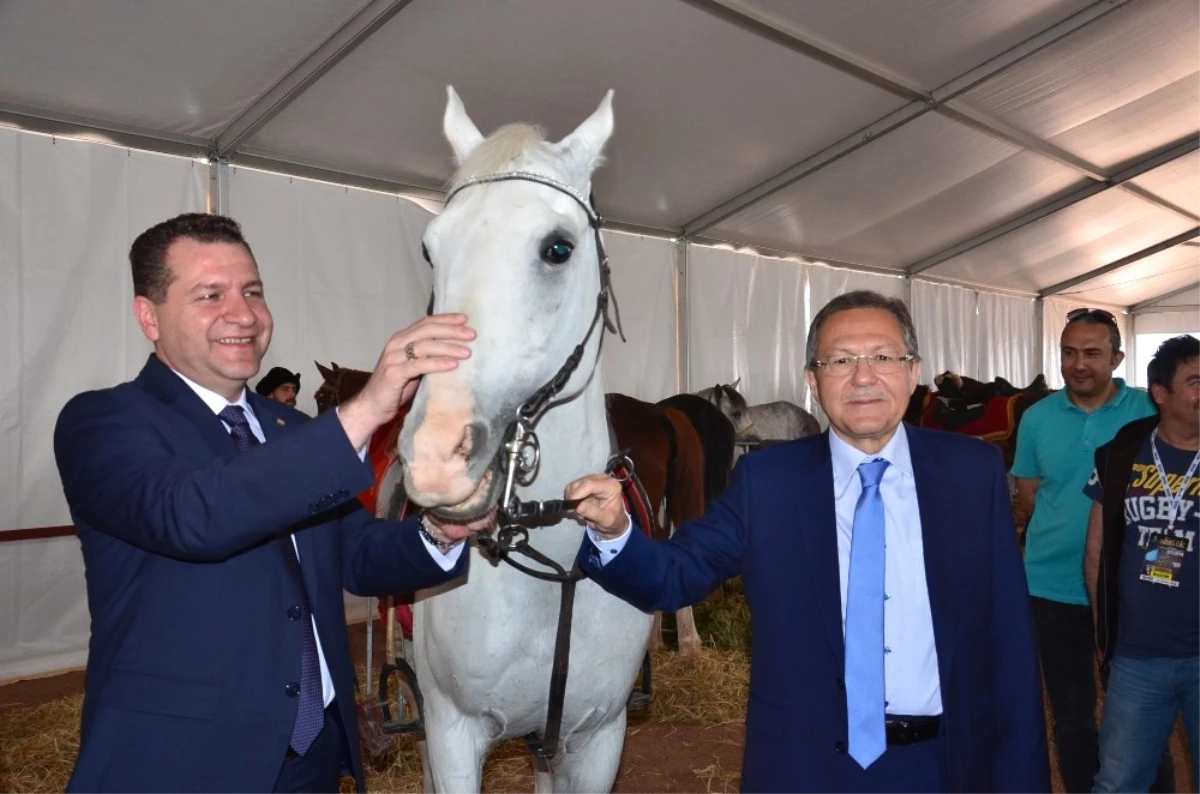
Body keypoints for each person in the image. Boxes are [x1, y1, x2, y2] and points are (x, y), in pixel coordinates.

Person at [53, 213, 480, 794]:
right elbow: (193, 516)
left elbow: (354, 554)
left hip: (312, 755)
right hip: (184, 762)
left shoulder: (290, 429)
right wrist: (363, 410)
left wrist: (440, 531)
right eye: (211, 294)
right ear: (148, 316)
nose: (243, 313)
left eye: (252, 290)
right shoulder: (103, 421)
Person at [566, 290, 1050, 794]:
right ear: (813, 381)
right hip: (805, 767)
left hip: (944, 765)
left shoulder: (972, 472)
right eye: (840, 360)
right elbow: (674, 575)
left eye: (883, 357)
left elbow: (1008, 636)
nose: (863, 376)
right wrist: (614, 529)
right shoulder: (768, 481)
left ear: (913, 372)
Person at [1011, 308, 1160, 794]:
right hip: (1052, 588)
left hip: (1131, 589)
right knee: (1073, 718)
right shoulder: (1036, 418)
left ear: (1117, 357)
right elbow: (1029, 495)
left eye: (1092, 353)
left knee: (1144, 717)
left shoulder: (1149, 412)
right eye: (1069, 353)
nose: (1079, 364)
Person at [1086, 335, 1200, 793]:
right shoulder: (1121, 456)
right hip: (1138, 656)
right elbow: (1096, 549)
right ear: (1161, 393)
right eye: (1195, 382)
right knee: (1118, 783)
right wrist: (1103, 630)